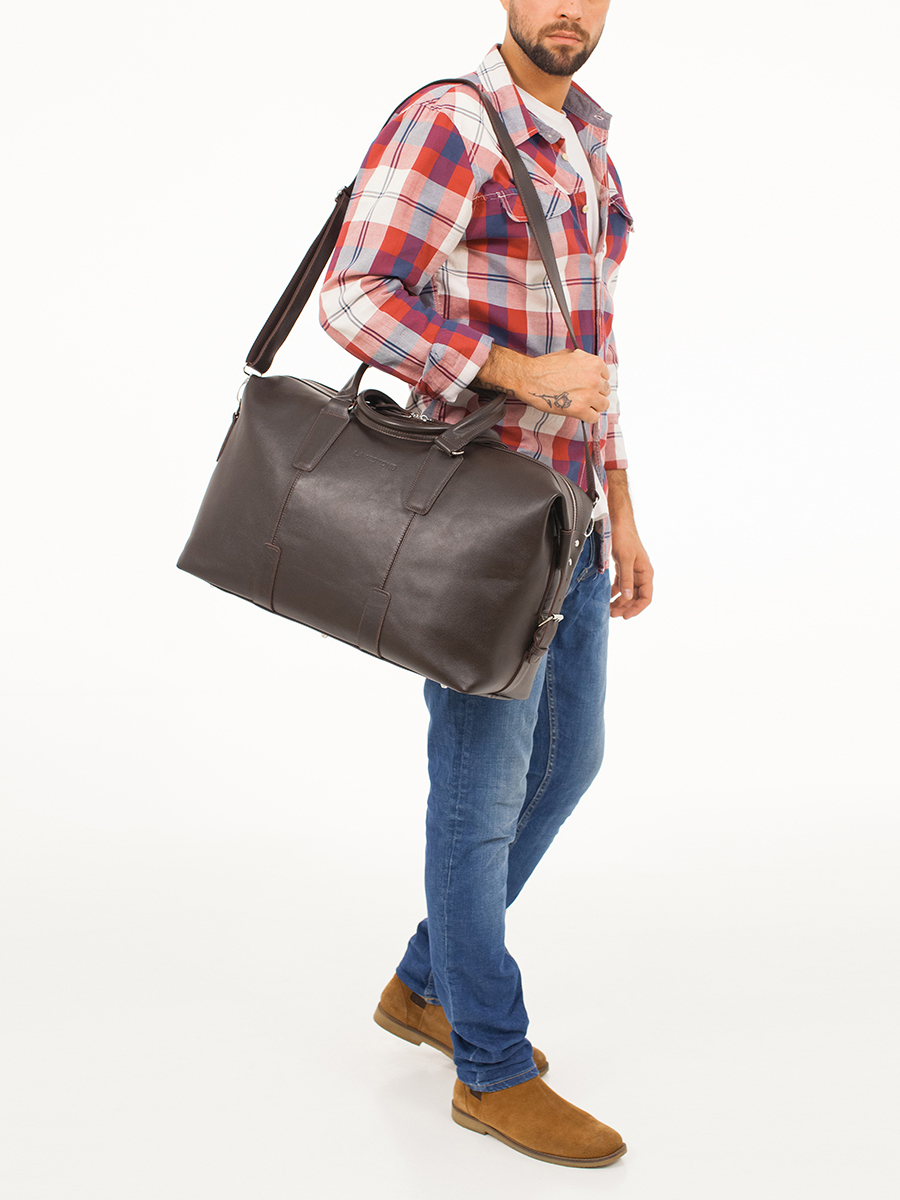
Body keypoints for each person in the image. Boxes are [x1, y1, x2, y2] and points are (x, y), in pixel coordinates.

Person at [319, 0, 653, 1170]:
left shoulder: (589, 141)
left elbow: (595, 355)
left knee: (570, 762)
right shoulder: (453, 122)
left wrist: (626, 504)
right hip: (483, 529)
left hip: (576, 522)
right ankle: (489, 1065)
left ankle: (426, 983)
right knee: (479, 796)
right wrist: (511, 372)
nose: (568, 7)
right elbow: (354, 295)